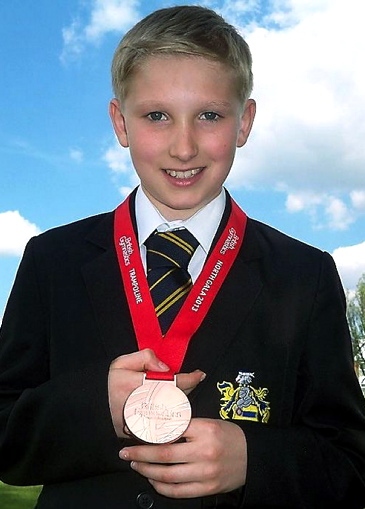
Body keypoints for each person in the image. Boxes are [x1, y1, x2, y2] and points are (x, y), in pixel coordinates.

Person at [0, 5, 364, 508]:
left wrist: (253, 460)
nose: (184, 146)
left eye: (210, 116)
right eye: (157, 116)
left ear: (245, 122)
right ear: (119, 122)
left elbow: (350, 460)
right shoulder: (52, 261)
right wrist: (95, 408)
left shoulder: (304, 275)